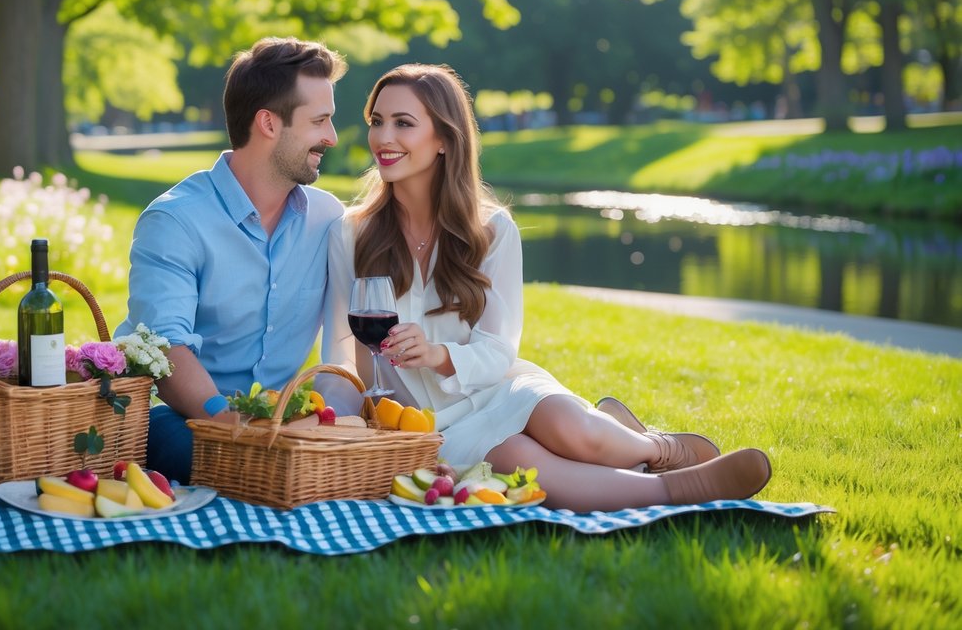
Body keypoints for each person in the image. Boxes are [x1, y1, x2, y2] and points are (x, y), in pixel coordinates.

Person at [321, 64, 772, 512]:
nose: (383, 138)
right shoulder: (351, 233)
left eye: (403, 123)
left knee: (575, 430)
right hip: (424, 422)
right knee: (526, 466)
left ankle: (657, 450)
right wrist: (368, 430)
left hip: (494, 385)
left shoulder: (492, 230)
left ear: (443, 139)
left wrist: (438, 355)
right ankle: (677, 491)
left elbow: (499, 349)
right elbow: (342, 353)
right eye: (376, 122)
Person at [114, 37, 347, 483]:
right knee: (243, 470)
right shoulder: (176, 220)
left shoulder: (328, 219)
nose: (331, 137)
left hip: (282, 421)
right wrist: (234, 429)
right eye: (320, 121)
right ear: (268, 124)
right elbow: (165, 348)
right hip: (187, 418)